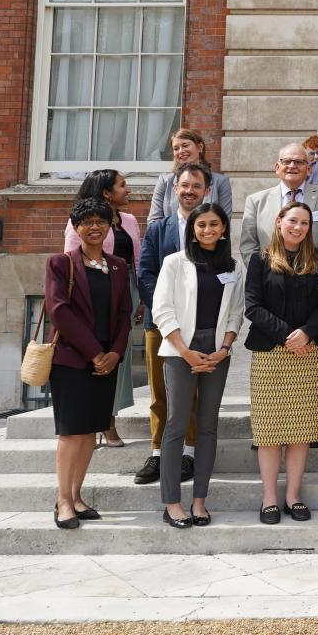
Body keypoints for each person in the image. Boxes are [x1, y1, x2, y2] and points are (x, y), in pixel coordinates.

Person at [151, 201, 246, 529]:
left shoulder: (233, 266)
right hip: (180, 353)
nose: (208, 230)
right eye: (201, 225)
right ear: (192, 228)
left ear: (223, 229)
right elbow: (162, 310)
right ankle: (172, 503)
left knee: (207, 426)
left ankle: (200, 501)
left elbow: (237, 311)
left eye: (214, 225)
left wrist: (224, 348)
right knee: (177, 424)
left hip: (217, 354)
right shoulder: (175, 263)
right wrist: (185, 351)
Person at [244, 201, 318, 524]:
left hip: (309, 354)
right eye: (293, 221)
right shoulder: (260, 259)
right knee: (269, 431)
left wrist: (308, 333)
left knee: (302, 430)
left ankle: (293, 496)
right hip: (271, 353)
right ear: (279, 221)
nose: (298, 227)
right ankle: (269, 498)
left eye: (305, 223)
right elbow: (252, 307)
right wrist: (288, 335)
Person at [45, 197, 132, 528]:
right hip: (72, 360)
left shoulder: (119, 266)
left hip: (108, 363)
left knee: (90, 433)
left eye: (101, 221)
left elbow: (125, 313)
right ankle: (63, 501)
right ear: (76, 227)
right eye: (87, 221)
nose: (95, 226)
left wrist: (115, 353)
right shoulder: (60, 263)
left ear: (110, 226)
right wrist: (95, 353)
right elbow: (59, 312)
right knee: (71, 433)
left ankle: (77, 497)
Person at [134, 162, 209, 486]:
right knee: (160, 392)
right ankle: (158, 453)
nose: (190, 191)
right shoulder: (157, 229)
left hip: (199, 327)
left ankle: (189, 454)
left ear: (205, 191)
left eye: (196, 186)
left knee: (193, 393)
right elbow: (145, 274)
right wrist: (167, 315)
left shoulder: (212, 228)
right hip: (160, 326)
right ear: (174, 189)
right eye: (185, 185)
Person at [63, 169, 140, 448]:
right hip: (91, 293)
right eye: (122, 185)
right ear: (107, 192)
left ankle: (108, 419)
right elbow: (70, 261)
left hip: (124, 292)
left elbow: (137, 259)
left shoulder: (130, 220)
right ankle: (89, 421)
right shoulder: (80, 222)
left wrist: (140, 297)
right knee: (90, 355)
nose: (127, 190)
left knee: (117, 357)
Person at [238, 143, 318, 260]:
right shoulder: (255, 202)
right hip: (268, 274)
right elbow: (248, 245)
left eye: (299, 162)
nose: (292, 166)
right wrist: (260, 271)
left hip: (313, 273)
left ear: (308, 169)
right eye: (286, 161)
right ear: (277, 167)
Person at [146, 127, 233, 225]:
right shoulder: (165, 182)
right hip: (171, 239)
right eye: (176, 148)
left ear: (200, 147)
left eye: (185, 145)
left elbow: (224, 221)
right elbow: (154, 222)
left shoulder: (220, 182)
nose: (180, 151)